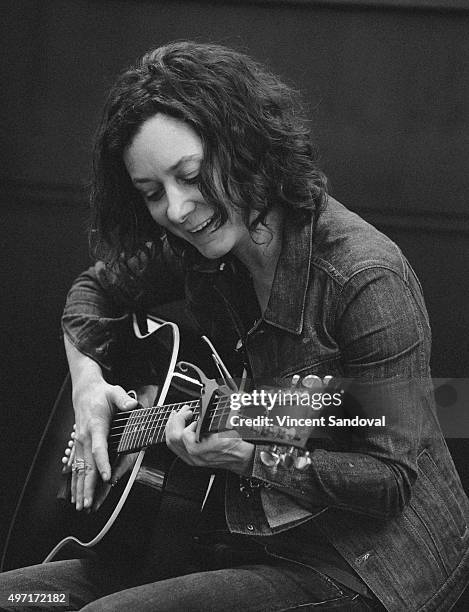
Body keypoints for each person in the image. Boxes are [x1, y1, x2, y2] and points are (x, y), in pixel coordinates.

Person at [1, 40, 468, 611]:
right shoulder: (203, 251)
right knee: (17, 597)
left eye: (190, 175)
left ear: (243, 146)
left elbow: (389, 480)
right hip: (239, 533)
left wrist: (248, 457)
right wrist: (88, 388)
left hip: (368, 568)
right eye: (152, 192)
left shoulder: (365, 279)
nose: (176, 209)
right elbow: (93, 291)